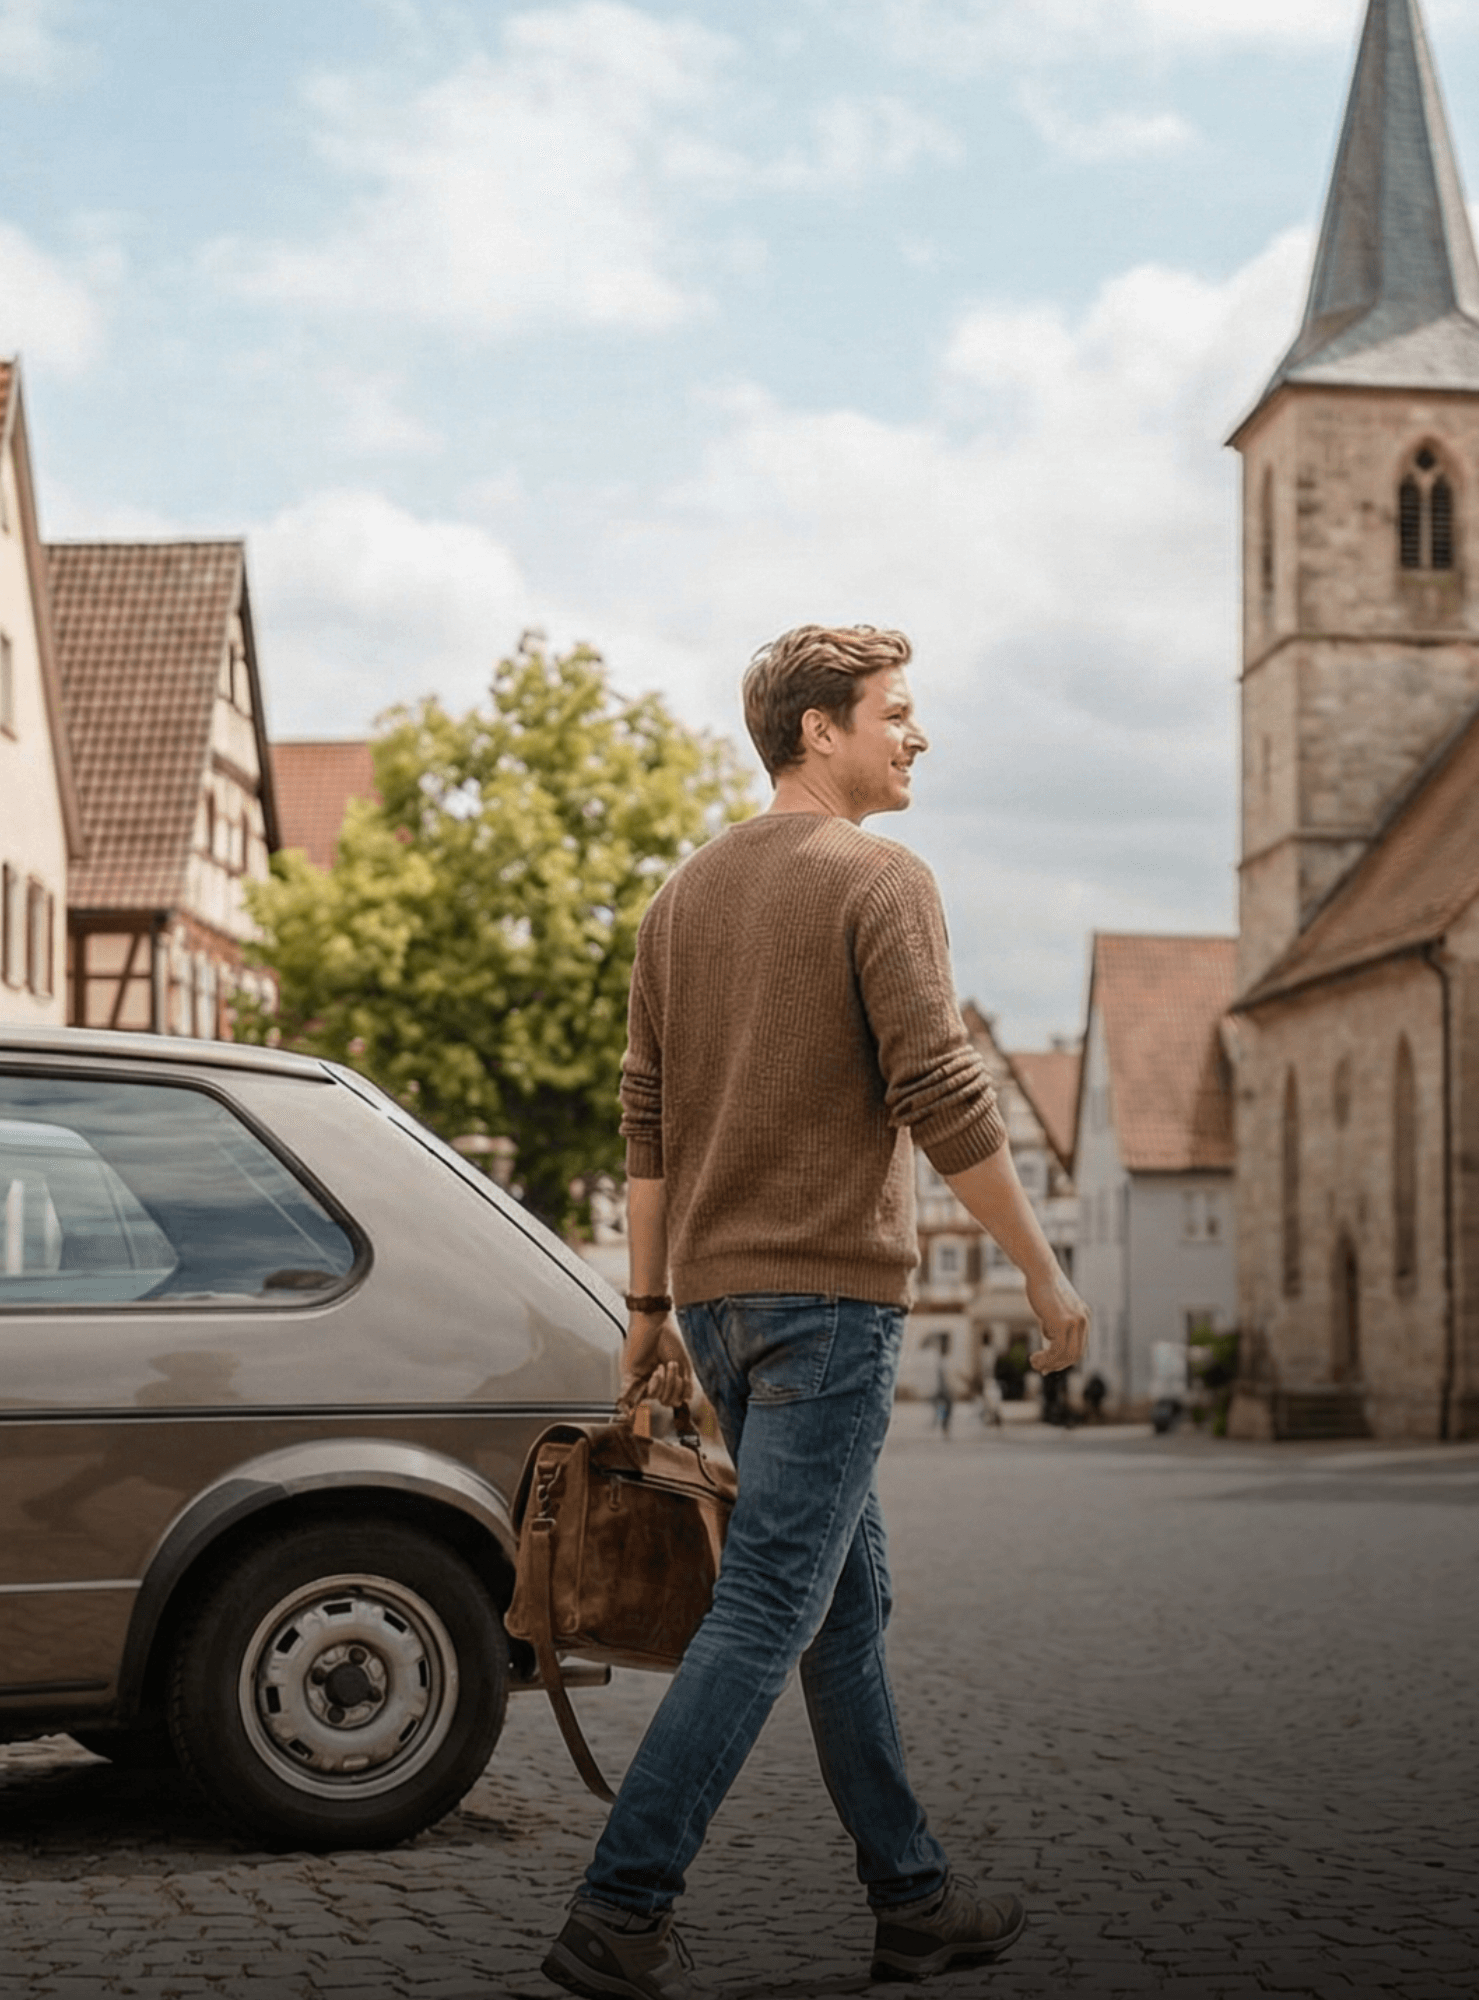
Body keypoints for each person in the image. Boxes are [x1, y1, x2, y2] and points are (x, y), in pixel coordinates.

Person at [543, 625, 1089, 2000]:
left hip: (718, 1303)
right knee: (776, 1597)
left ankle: (914, 1899)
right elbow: (943, 1093)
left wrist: (649, 1303)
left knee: (847, 1596)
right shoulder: (880, 879)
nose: (917, 737)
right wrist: (1039, 1264)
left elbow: (646, 1116)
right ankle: (621, 1909)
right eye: (896, 714)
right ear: (817, 732)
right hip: (830, 1296)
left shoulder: (680, 898)